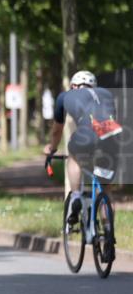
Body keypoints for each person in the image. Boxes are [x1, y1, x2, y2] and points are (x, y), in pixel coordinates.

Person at [43, 70, 122, 260]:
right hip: (112, 134)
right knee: (105, 189)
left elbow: (57, 131)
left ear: (73, 86)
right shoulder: (106, 94)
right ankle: (109, 236)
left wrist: (51, 148)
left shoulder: (65, 96)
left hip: (87, 132)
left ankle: (76, 196)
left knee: (74, 156)